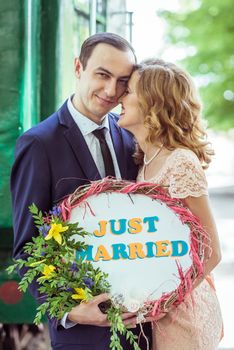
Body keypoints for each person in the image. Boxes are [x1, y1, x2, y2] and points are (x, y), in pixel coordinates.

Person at [11, 33, 152, 350]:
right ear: (78, 67)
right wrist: (72, 310)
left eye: (122, 81)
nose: (111, 91)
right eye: (102, 75)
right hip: (84, 336)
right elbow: (27, 250)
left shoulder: (130, 137)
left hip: (141, 328)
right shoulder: (39, 144)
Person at [118, 58, 223, 350]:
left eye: (129, 91)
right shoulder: (145, 161)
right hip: (156, 313)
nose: (120, 97)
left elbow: (212, 252)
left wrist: (165, 302)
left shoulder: (180, 162)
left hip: (184, 315)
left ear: (153, 103)